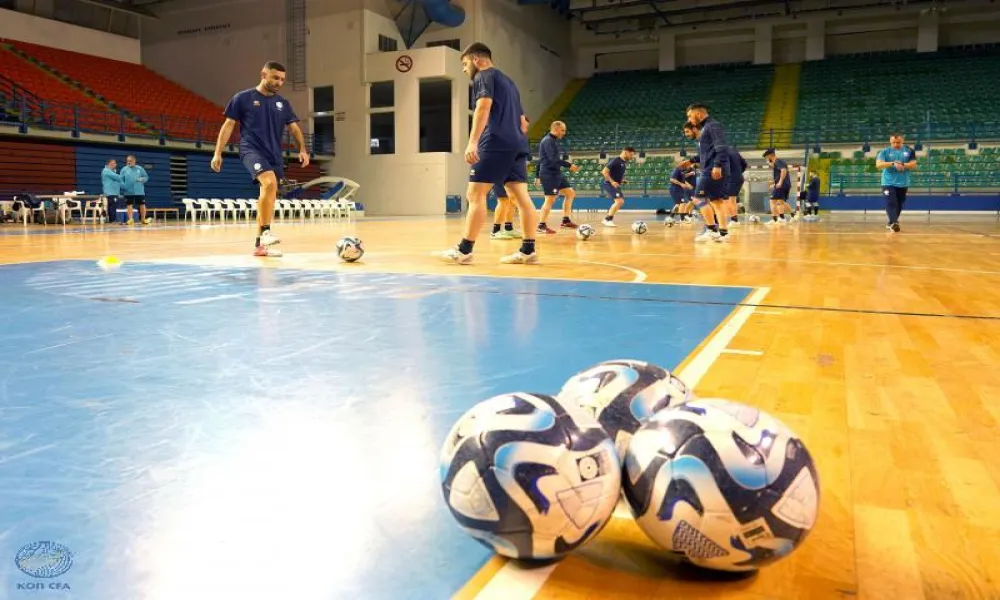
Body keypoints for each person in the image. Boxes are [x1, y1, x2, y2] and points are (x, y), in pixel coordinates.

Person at [437, 43, 539, 265]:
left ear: (476, 60)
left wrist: (473, 142)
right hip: (517, 144)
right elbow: (524, 123)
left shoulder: (483, 76)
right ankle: (528, 250)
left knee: (475, 195)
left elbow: (483, 107)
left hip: (495, 142)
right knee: (521, 197)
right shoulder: (510, 83)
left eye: (464, 64)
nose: (464, 70)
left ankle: (464, 250)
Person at [212, 61, 309, 257]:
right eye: (275, 77)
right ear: (263, 74)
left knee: (269, 195)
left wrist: (303, 149)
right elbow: (228, 125)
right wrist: (217, 152)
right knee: (269, 183)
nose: (278, 82)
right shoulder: (242, 98)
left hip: (274, 154)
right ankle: (265, 232)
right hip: (251, 150)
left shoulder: (283, 103)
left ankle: (260, 246)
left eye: (282, 79)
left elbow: (294, 128)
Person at [685, 104, 731, 243]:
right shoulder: (706, 127)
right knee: (717, 201)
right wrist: (691, 161)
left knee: (698, 199)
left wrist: (717, 165)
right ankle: (723, 233)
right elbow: (707, 152)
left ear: (698, 113)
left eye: (689, 115)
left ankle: (711, 230)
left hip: (712, 169)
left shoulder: (712, 125)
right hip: (713, 167)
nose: (689, 118)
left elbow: (721, 147)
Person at [535, 121, 578, 233]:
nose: (564, 133)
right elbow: (552, 160)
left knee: (570, 193)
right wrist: (569, 165)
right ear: (556, 128)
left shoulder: (552, 140)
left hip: (556, 173)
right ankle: (541, 225)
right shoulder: (548, 141)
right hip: (549, 174)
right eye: (562, 130)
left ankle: (566, 220)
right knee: (550, 199)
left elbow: (541, 159)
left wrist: (536, 175)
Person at [874, 133, 917, 232]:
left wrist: (902, 164)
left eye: (898, 142)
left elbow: (913, 165)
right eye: (893, 142)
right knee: (891, 202)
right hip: (887, 182)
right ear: (890, 142)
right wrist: (893, 163)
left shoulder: (909, 151)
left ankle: (891, 223)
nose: (896, 144)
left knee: (899, 204)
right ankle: (895, 223)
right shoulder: (884, 152)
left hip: (903, 182)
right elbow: (878, 165)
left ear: (902, 141)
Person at [600, 147, 636, 227]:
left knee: (620, 202)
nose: (632, 156)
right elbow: (604, 171)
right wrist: (612, 182)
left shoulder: (623, 162)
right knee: (619, 201)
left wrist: (622, 180)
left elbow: (616, 174)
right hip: (609, 184)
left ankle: (607, 219)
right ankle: (607, 219)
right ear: (625, 152)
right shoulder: (616, 160)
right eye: (631, 154)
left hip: (615, 185)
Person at [763, 148, 793, 225]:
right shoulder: (777, 163)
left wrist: (780, 182)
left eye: (767, 157)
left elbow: (783, 171)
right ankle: (781, 218)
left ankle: (777, 219)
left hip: (782, 184)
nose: (767, 159)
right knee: (780, 201)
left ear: (770, 155)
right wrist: (774, 183)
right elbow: (780, 173)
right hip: (785, 184)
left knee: (772, 201)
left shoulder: (778, 161)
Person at [120, 155, 151, 225]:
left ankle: (143, 219)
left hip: (139, 191)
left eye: (130, 161)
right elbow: (120, 179)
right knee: (129, 205)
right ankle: (131, 219)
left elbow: (146, 177)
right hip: (128, 191)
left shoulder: (140, 168)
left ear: (134, 161)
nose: (128, 162)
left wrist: (141, 179)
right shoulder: (124, 169)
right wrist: (123, 186)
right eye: (127, 161)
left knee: (142, 205)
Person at [101, 158, 123, 224]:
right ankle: (112, 221)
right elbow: (118, 177)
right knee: (112, 207)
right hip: (110, 193)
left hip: (114, 193)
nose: (115, 164)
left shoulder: (112, 171)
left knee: (113, 206)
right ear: (109, 164)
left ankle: (112, 220)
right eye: (114, 163)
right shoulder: (106, 171)